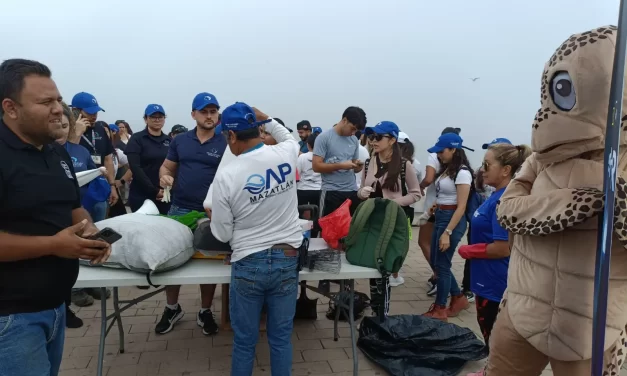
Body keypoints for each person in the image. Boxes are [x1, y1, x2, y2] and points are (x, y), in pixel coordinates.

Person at [484, 26, 627, 375]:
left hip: (591, 327)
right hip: (521, 310)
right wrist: (576, 203)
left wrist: (618, 203)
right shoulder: (541, 158)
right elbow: (508, 210)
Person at [0, 58, 111, 376]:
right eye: (45, 102)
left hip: (55, 306)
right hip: (11, 317)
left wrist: (90, 231)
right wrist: (53, 245)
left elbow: (72, 207)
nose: (58, 109)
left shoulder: (54, 150)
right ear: (11, 108)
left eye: (58, 100)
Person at [210, 102, 303, 376]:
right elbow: (289, 137)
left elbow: (223, 233)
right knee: (280, 338)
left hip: (249, 262)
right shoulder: (285, 154)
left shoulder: (227, 175)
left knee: (244, 341)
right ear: (258, 129)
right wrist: (268, 117)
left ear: (232, 136)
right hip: (287, 258)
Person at [157, 92, 227, 336]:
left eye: (213, 111)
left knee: (209, 262)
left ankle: (205, 310)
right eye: (204, 111)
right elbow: (167, 166)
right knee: (172, 259)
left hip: (212, 211)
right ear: (193, 114)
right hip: (179, 208)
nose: (209, 116)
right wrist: (164, 176)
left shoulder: (226, 141)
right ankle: (171, 307)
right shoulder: (180, 141)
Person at [459, 142, 530, 376]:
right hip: (486, 280)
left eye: (487, 164)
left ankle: (494, 370)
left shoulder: (503, 201)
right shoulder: (496, 195)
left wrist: (470, 251)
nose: (482, 169)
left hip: (494, 283)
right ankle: (492, 368)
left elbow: (502, 248)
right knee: (492, 332)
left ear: (506, 170)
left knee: (494, 332)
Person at [358, 121, 421, 314]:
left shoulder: (404, 165)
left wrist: (394, 202)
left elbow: (416, 193)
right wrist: (362, 193)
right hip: (372, 220)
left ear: (392, 140)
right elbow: (360, 189)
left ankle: (381, 316)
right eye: (371, 137)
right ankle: (377, 312)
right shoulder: (369, 162)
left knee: (384, 268)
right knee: (372, 266)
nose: (373, 141)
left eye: (378, 137)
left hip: (392, 221)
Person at [422, 132, 473, 321]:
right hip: (441, 215)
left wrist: (447, 232)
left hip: (452, 219)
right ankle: (458, 298)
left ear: (453, 149)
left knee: (442, 265)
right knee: (437, 261)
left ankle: (440, 308)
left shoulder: (463, 173)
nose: (439, 155)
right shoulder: (448, 170)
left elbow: (461, 206)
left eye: (442, 151)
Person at [417, 127, 460, 298]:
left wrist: (417, 187)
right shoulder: (458, 165)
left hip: (435, 208)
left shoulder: (435, 155)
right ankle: (449, 287)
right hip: (444, 208)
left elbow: (428, 179)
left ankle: (440, 279)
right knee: (439, 252)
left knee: (428, 246)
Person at [71, 91, 119, 220]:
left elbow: (108, 159)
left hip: (98, 188)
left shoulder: (100, 129)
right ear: (75, 111)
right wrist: (77, 133)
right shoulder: (67, 129)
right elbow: (68, 154)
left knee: (99, 229)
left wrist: (112, 186)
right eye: (90, 113)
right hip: (77, 190)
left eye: (96, 112)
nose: (94, 116)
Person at [312, 106, 367, 217]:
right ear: (344, 120)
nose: (353, 133)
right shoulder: (324, 138)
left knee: (350, 230)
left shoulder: (354, 140)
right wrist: (341, 165)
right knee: (329, 230)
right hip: (331, 192)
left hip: (351, 191)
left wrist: (357, 166)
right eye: (352, 128)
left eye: (356, 130)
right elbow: (316, 166)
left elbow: (353, 165)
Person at [125, 104, 172, 215]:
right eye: (153, 117)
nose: (157, 120)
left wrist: (166, 189)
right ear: (146, 119)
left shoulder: (169, 141)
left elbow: (173, 166)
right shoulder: (137, 139)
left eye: (160, 117)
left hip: (164, 194)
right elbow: (135, 167)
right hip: (141, 193)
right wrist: (154, 190)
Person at [296, 133, 322, 207]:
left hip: (302, 189)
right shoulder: (323, 157)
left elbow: (297, 173)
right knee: (317, 213)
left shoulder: (302, 157)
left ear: (308, 145)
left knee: (302, 213)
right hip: (318, 190)